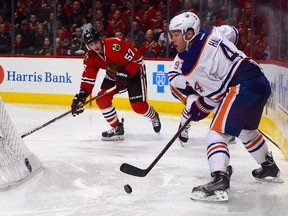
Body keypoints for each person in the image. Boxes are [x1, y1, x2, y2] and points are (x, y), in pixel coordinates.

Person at [168, 12, 283, 202]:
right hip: (260, 81)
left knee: (216, 133)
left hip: (241, 87)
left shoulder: (190, 64)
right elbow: (234, 33)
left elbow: (215, 94)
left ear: (189, 33)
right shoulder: (212, 31)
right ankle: (268, 167)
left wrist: (199, 108)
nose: (172, 40)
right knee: (247, 131)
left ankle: (219, 179)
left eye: (176, 34)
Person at [71, 24, 161, 141]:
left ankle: (154, 116)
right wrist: (82, 96)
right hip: (114, 73)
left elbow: (137, 59)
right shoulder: (90, 56)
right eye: (91, 44)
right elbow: (88, 79)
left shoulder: (115, 45)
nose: (95, 47)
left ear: (100, 39)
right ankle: (117, 128)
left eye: (96, 42)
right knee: (101, 99)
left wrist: (125, 74)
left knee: (138, 107)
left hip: (134, 71)